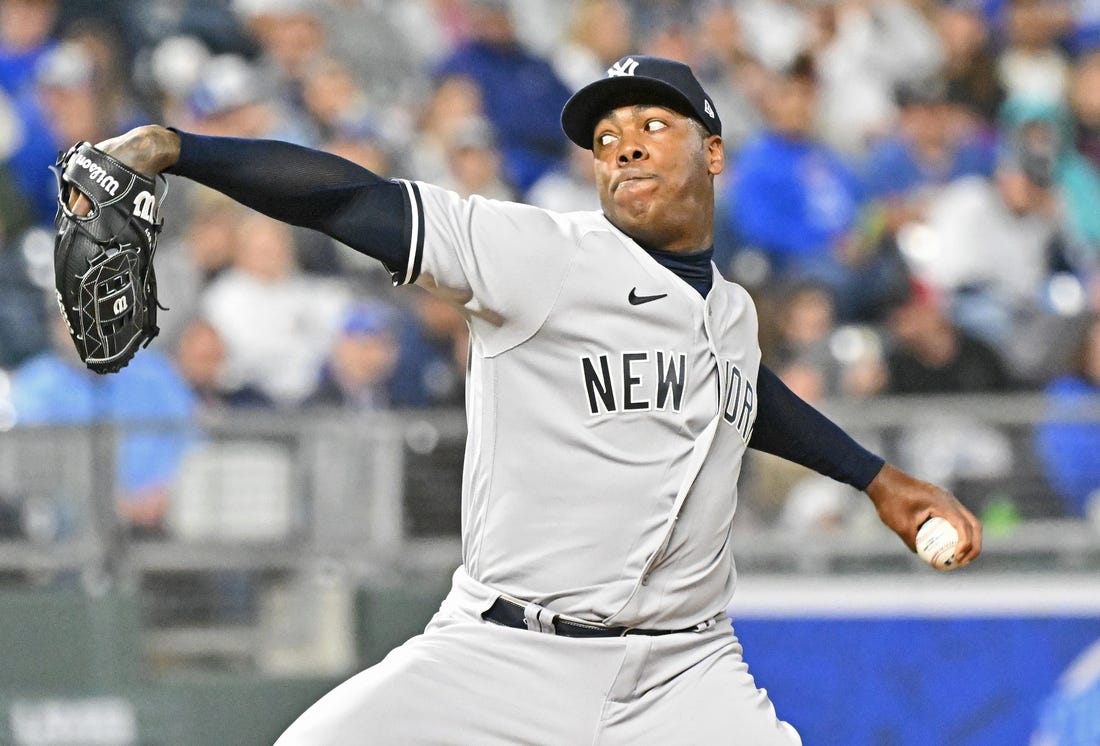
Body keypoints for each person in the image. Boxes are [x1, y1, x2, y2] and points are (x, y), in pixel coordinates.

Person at [68, 54, 982, 745]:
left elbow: (742, 391)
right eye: (607, 132)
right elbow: (349, 199)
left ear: (712, 152)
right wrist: (177, 150)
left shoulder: (733, 310)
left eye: (652, 124)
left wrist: (875, 478)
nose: (621, 139)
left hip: (687, 670)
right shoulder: (543, 255)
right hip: (503, 654)